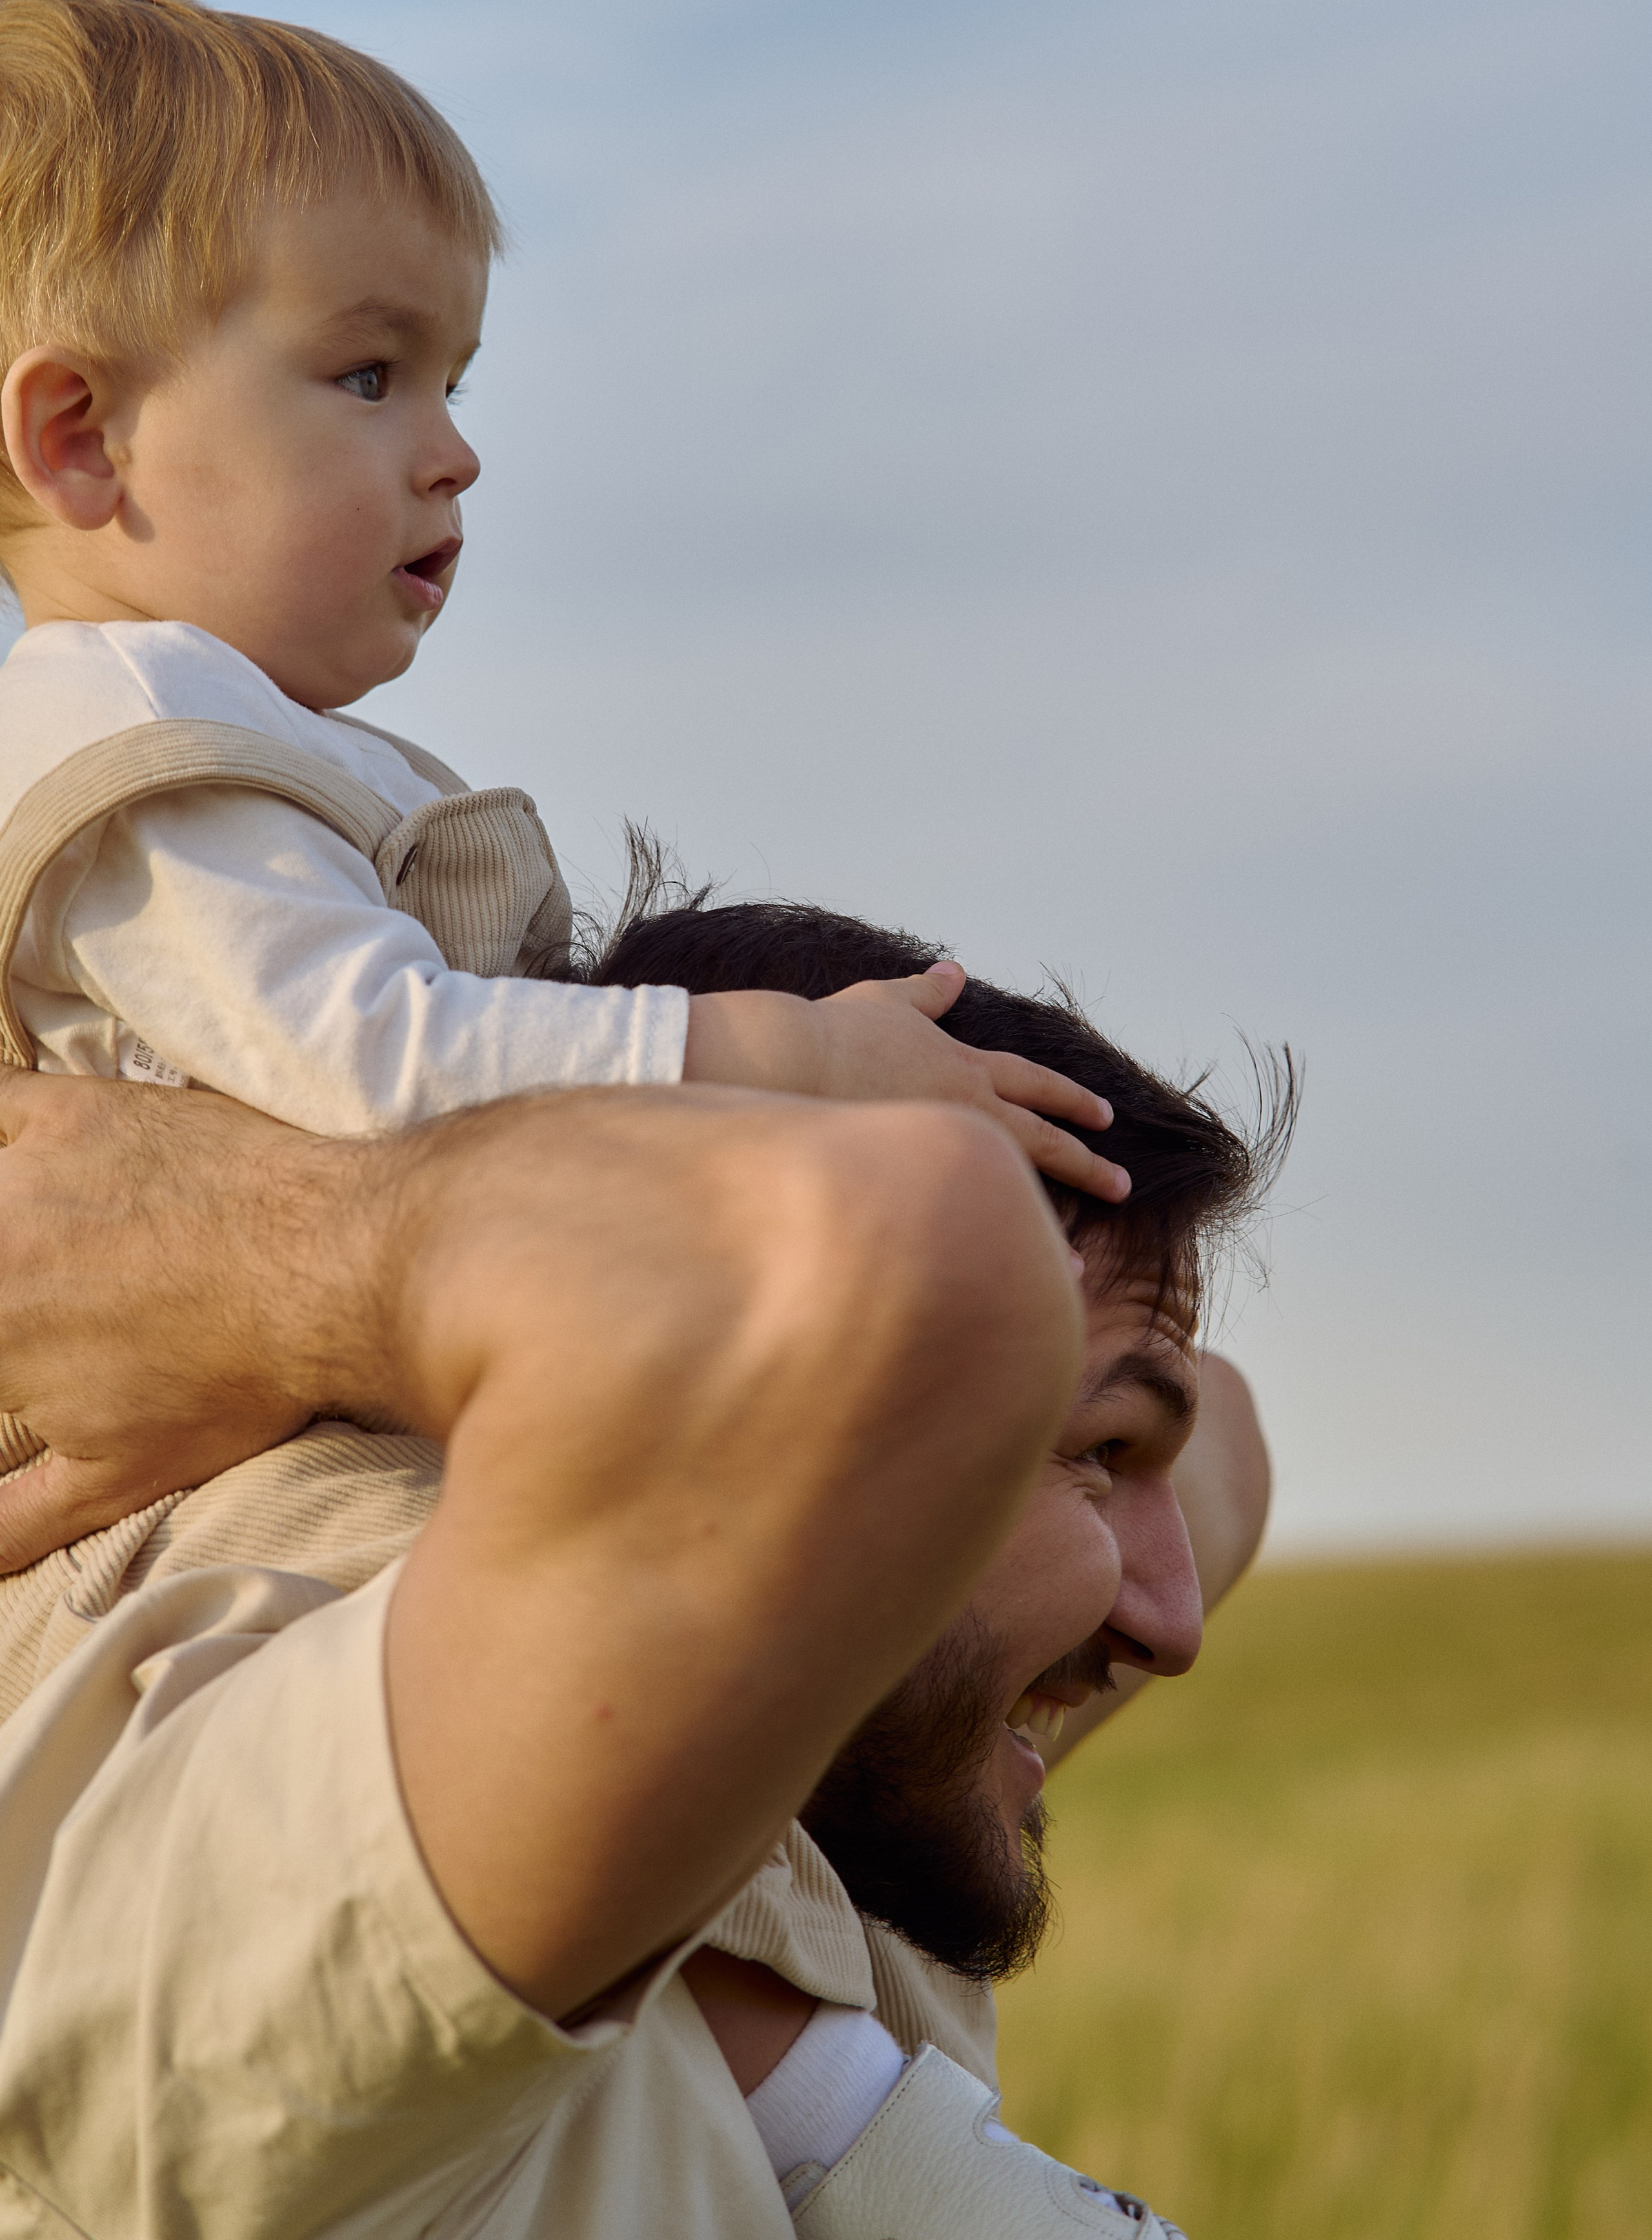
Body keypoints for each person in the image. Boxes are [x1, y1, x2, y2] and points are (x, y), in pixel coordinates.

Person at [0, 898, 1289, 2235]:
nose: (1173, 1620)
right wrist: (275, 1244)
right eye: (1101, 1447)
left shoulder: (843, 1798)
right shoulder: (260, 1867)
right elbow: (926, 1241)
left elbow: (1231, 1441)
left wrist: (270, 1269)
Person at [0, 0, 1121, 1245]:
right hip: (266, 1440)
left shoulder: (254, 733)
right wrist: (780, 1055)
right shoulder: (136, 732)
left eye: (452, 388)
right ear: (81, 437)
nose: (452, 456)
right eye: (369, 375)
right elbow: (375, 1058)